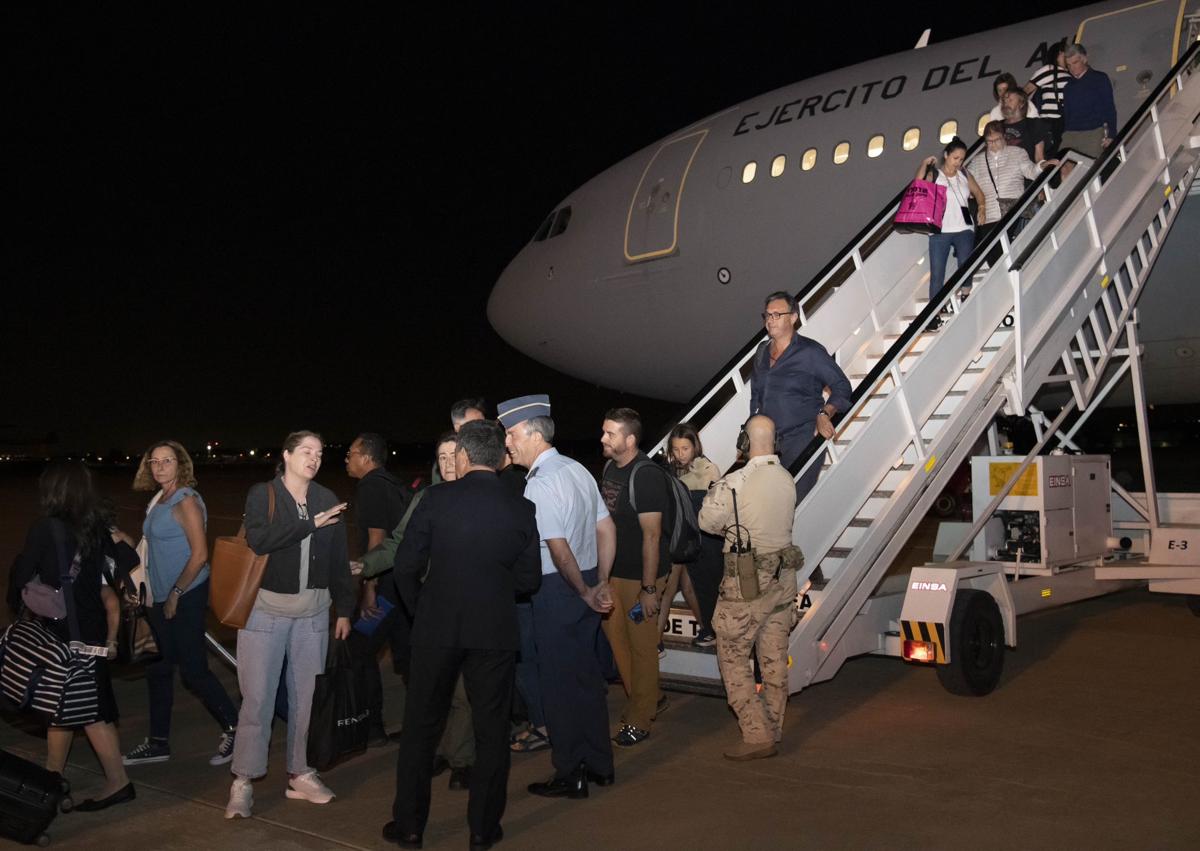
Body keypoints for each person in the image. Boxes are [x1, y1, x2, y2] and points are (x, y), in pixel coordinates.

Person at [384, 420, 541, 850]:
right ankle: (482, 830)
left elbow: (404, 568)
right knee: (492, 734)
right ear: (502, 459)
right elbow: (528, 580)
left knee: (420, 729)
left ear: (466, 458)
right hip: (493, 631)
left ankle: (410, 826)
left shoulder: (435, 499)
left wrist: (423, 612)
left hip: (437, 628)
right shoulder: (520, 508)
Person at [225, 430, 354, 820]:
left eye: (318, 453)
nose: (314, 458)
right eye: (305, 451)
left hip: (313, 615)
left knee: (307, 699)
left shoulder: (327, 498)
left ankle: (300, 772)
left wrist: (344, 608)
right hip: (265, 613)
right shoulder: (263, 493)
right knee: (258, 698)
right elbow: (260, 541)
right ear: (286, 455)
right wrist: (310, 524)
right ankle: (243, 781)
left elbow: (337, 558)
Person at [499, 394, 617, 799]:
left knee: (559, 687)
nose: (507, 442)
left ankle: (571, 772)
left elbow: (558, 547)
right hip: (583, 580)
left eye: (511, 434)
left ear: (532, 433)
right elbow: (606, 528)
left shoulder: (542, 483)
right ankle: (600, 764)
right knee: (585, 680)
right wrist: (600, 580)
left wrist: (584, 591)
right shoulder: (577, 470)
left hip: (559, 589)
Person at [10, 461, 135, 810]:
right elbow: (125, 562)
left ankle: (118, 781)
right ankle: (53, 774)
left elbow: (22, 576)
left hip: (64, 632)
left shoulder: (46, 528)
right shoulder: (96, 527)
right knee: (65, 704)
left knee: (86, 709)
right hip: (90, 627)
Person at [360, 432, 477, 791]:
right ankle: (444, 751)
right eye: (440, 458)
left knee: (462, 690)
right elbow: (398, 543)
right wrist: (363, 567)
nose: (446, 464)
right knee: (435, 686)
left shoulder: (481, 496)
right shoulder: (425, 497)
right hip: (432, 606)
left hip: (471, 606)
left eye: (452, 456)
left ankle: (463, 759)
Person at [122, 440, 239, 768]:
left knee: (193, 670)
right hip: (159, 597)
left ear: (181, 465)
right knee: (158, 668)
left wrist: (175, 593)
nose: (159, 467)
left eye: (167, 461)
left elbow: (200, 555)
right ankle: (158, 742)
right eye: (154, 461)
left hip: (185, 596)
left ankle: (236, 726)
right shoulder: (160, 498)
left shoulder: (186, 500)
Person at [699, 416, 802, 761]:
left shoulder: (735, 482)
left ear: (745, 441)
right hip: (782, 579)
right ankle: (772, 728)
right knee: (773, 660)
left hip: (745, 583)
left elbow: (707, 523)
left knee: (732, 655)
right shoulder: (787, 479)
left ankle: (756, 734)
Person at [598, 407, 670, 748]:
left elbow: (652, 537)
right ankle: (647, 696)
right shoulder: (611, 468)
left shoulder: (647, 476)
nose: (603, 439)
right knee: (618, 642)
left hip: (641, 578)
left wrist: (649, 588)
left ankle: (640, 718)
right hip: (614, 575)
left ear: (629, 439)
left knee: (641, 649)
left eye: (610, 434)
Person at [749, 291, 853, 501]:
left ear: (794, 317)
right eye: (767, 315)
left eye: (777, 314)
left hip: (802, 440)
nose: (770, 320)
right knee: (768, 505)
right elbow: (756, 396)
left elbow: (842, 387)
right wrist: (751, 432)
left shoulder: (810, 352)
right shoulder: (761, 352)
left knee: (793, 503)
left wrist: (825, 413)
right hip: (768, 445)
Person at [344, 432, 410, 746]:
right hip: (404, 586)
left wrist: (369, 588)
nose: (347, 458)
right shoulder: (392, 483)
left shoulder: (370, 485)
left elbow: (376, 539)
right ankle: (427, 721)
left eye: (351, 453)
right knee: (408, 656)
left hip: (384, 587)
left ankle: (371, 726)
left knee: (359, 650)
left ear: (367, 457)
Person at [663, 423, 719, 648]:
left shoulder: (708, 469)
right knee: (688, 588)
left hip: (705, 540)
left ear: (695, 446)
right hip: (683, 540)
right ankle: (708, 629)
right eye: (676, 449)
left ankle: (712, 630)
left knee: (706, 587)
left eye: (685, 448)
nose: (680, 454)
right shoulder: (671, 470)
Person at [916, 139, 986, 309]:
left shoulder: (964, 174)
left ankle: (966, 292)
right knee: (937, 272)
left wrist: (982, 207)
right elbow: (918, 186)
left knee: (965, 262)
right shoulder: (935, 175)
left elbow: (978, 193)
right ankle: (934, 312)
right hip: (939, 230)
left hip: (964, 228)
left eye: (961, 159)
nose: (958, 162)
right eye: (955, 158)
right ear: (946, 155)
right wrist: (924, 165)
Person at [968, 121, 1056, 240]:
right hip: (988, 218)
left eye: (997, 139)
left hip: (1014, 214)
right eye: (989, 141)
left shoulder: (1017, 153)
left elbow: (1030, 171)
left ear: (1004, 137)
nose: (993, 144)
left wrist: (1042, 165)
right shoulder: (976, 161)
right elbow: (966, 183)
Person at [1060, 42, 1117, 159]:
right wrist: (1065, 132)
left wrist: (1111, 135)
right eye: (1069, 65)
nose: (1072, 68)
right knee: (1062, 169)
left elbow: (1109, 108)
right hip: (1070, 134)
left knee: (1090, 168)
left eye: (1075, 62)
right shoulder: (1068, 87)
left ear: (1084, 59)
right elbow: (1067, 114)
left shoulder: (1099, 78)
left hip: (1093, 132)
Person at [1025, 39, 1071, 156]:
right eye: (1068, 51)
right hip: (1050, 121)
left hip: (1066, 122)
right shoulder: (1049, 69)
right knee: (1051, 154)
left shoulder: (1070, 73)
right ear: (1060, 53)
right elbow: (1026, 90)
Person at [1000, 89, 1050, 165]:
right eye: (1004, 101)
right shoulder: (997, 126)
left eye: (1010, 100)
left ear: (1021, 103)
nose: (1006, 104)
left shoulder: (1034, 124)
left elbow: (1039, 158)